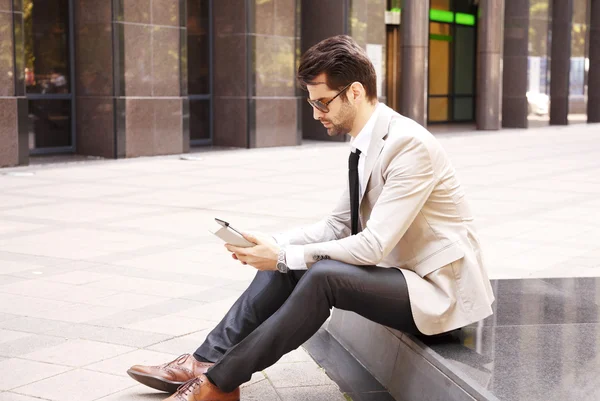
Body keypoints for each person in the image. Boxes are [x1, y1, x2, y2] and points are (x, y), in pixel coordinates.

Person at [127, 35, 495, 401]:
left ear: (354, 92)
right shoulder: (368, 141)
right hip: (404, 277)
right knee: (291, 260)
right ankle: (204, 362)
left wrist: (284, 257)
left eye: (323, 103)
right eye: (312, 103)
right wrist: (273, 244)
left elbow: (373, 245)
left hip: (440, 295)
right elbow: (336, 226)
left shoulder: (409, 145)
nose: (316, 114)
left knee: (320, 274)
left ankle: (220, 384)